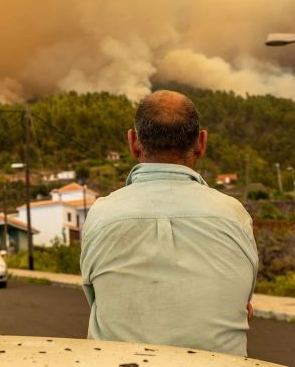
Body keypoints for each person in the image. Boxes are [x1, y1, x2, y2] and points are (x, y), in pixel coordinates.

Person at [81, 90, 258, 356]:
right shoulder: (234, 214)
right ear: (201, 143)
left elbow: (98, 298)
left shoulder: (102, 214)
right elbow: (242, 304)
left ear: (133, 142)